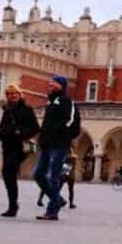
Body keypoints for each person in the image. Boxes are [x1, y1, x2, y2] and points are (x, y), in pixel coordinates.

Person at [33, 76, 80, 221]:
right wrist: (42, 139)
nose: (51, 84)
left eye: (54, 82)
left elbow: (72, 123)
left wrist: (61, 136)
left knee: (53, 177)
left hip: (59, 146)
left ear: (62, 86)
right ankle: (57, 199)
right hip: (47, 145)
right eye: (51, 82)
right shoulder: (51, 103)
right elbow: (46, 126)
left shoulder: (67, 101)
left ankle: (52, 211)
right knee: (38, 175)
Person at [0, 84, 39, 217]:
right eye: (9, 94)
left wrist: (20, 133)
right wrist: (0, 133)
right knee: (8, 174)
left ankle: (13, 206)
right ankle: (13, 205)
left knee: (9, 171)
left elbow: (35, 128)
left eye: (15, 93)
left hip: (19, 146)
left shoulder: (27, 109)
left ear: (20, 95)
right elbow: (3, 126)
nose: (12, 96)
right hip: (7, 145)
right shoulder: (6, 110)